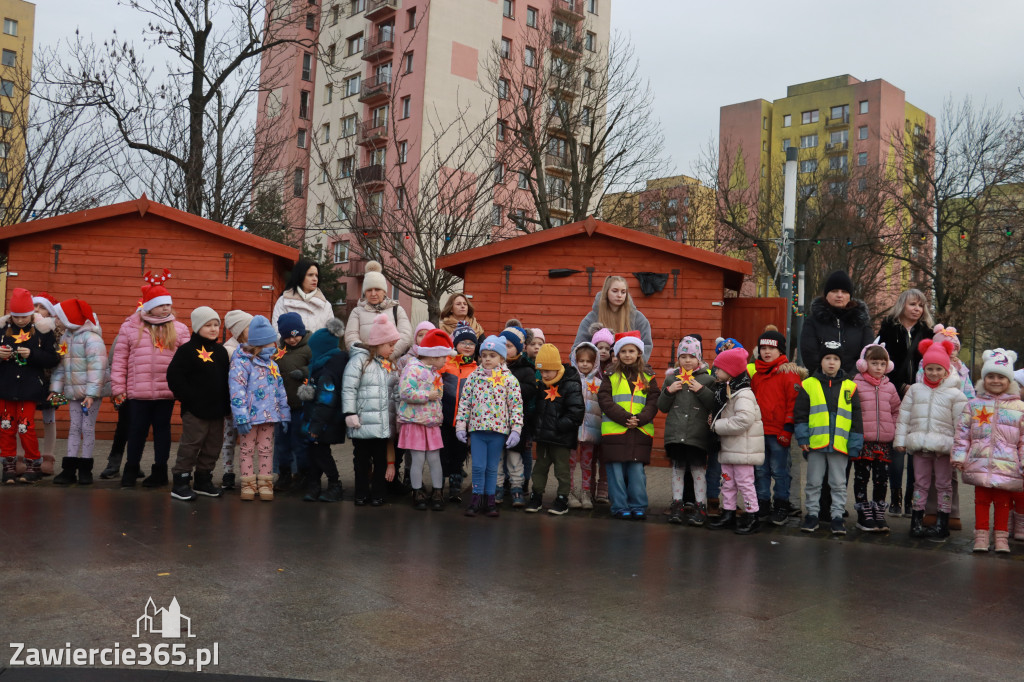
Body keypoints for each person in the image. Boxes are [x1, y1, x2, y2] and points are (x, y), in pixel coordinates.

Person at [112, 272, 191, 488]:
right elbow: (119, 359)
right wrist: (118, 387)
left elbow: (187, 361)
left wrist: (184, 388)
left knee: (162, 432)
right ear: (148, 306)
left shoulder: (179, 329)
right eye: (160, 305)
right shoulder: (130, 327)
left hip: (166, 392)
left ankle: (160, 471)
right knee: (136, 431)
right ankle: (130, 469)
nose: (166, 308)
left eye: (168, 304)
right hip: (138, 392)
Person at [953, 349, 1024, 553]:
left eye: (1001, 377)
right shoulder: (974, 405)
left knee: (1003, 502)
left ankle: (1001, 538)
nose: (995, 380)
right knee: (981, 500)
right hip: (979, 462)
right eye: (990, 376)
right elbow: (963, 433)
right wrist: (959, 456)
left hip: (1007, 465)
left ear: (1009, 380)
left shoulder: (1019, 407)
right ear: (983, 379)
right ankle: (981, 537)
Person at [895, 339, 968, 540]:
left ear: (946, 371)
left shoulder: (955, 395)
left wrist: (960, 450)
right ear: (924, 369)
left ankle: (943, 523)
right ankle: (916, 522)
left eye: (938, 369)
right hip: (920, 446)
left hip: (944, 448)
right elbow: (904, 416)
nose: (934, 373)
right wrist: (900, 440)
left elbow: (961, 425)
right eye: (930, 369)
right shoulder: (915, 390)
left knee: (944, 484)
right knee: (920, 483)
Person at [795, 342, 863, 536]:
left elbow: (856, 418)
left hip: (840, 445)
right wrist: (803, 437)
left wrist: (855, 444)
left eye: (835, 359)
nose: (831, 362)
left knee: (839, 483)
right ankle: (812, 515)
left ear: (841, 362)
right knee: (813, 482)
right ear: (821, 361)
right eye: (827, 358)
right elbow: (801, 414)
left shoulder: (850, 387)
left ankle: (837, 517)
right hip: (816, 444)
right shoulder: (809, 384)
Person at [875, 288, 933, 516]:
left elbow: (933, 365)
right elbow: (880, 363)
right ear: (902, 305)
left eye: (920, 305)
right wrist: (900, 386)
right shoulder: (888, 330)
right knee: (897, 448)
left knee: (915, 450)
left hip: (921, 396)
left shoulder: (927, 333)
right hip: (894, 395)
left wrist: (918, 386)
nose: (917, 309)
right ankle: (896, 498)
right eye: (912, 304)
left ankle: (911, 499)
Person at [165, 307, 231, 501]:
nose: (213, 329)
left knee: (213, 446)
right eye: (207, 325)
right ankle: (181, 482)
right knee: (191, 445)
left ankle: (203, 480)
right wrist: (189, 398)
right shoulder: (186, 350)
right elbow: (174, 377)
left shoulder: (221, 352)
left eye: (216, 325)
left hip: (217, 411)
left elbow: (226, 380)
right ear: (197, 327)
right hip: (195, 410)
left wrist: (226, 405)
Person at [455, 335, 524, 518]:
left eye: (492, 355)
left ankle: (490, 500)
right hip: (477, 431)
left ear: (501, 358)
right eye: (484, 355)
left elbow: (516, 406)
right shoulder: (474, 377)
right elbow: (465, 402)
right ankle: (476, 498)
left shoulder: (509, 380)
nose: (487, 359)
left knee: (492, 467)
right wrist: (461, 425)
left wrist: (516, 430)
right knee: (478, 467)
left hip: (498, 431)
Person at [597, 331, 661, 520]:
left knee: (636, 472)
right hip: (615, 431)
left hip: (639, 431)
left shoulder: (648, 376)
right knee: (615, 472)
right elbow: (604, 399)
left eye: (631, 351)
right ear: (617, 354)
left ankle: (638, 505)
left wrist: (640, 419)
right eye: (623, 351)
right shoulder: (610, 375)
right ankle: (619, 506)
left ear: (639, 353)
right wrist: (625, 418)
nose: (627, 355)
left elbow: (653, 400)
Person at [0, 288, 59, 484]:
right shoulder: (2, 330)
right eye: (16, 316)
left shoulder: (43, 331)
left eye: (24, 316)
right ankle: (8, 465)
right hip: (6, 387)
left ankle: (33, 463)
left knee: (25, 427)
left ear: (30, 314)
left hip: (30, 389)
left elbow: (53, 358)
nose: (20, 320)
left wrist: (32, 355)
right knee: (6, 426)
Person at [229, 316, 289, 502]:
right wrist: (241, 417)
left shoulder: (272, 365)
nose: (274, 347)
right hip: (249, 418)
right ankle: (248, 484)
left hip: (269, 417)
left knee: (266, 449)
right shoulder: (241, 363)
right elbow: (237, 391)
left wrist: (284, 414)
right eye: (270, 343)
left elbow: (280, 390)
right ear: (259, 344)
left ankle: (265, 483)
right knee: (247, 450)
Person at [749, 327, 805, 526]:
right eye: (763, 348)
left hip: (779, 433)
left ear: (780, 350)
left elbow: (794, 404)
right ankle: (763, 503)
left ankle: (781, 504)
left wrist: (788, 429)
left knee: (780, 471)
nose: (766, 352)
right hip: (759, 432)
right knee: (760, 471)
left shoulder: (788, 374)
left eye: (771, 348)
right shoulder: (757, 375)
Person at [658, 336, 716, 527]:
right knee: (678, 469)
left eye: (692, 356)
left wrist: (701, 390)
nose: (687, 360)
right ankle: (677, 504)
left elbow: (714, 404)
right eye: (683, 357)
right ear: (678, 359)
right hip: (676, 435)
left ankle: (700, 506)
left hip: (697, 436)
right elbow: (662, 406)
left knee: (698, 470)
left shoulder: (708, 380)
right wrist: (668, 392)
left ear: (699, 358)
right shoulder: (671, 378)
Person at [342, 313, 400, 506]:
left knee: (381, 460)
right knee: (361, 460)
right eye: (390, 344)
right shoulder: (360, 360)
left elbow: (395, 393)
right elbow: (349, 387)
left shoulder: (390, 365)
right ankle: (361, 493)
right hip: (362, 423)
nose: (393, 349)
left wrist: (398, 415)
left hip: (382, 426)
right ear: (379, 343)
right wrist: (350, 412)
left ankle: (378, 493)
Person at [706, 347, 765, 535]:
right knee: (727, 482)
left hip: (742, 449)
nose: (715, 372)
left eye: (719, 368)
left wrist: (717, 425)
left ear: (730, 371)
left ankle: (752, 515)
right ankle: (728, 512)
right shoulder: (728, 390)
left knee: (745, 483)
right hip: (730, 447)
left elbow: (744, 420)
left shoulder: (743, 393)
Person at [49, 299, 107, 486]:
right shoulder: (66, 337)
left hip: (91, 394)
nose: (56, 320)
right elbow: (62, 365)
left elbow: (98, 368)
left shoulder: (92, 339)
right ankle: (69, 469)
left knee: (87, 428)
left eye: (59, 317)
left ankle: (85, 469)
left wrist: (91, 394)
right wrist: (55, 389)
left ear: (70, 318)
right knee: (74, 427)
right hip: (74, 392)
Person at [397, 329, 455, 511]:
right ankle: (417, 492)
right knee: (418, 458)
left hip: (431, 423)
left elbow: (439, 395)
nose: (445, 360)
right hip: (415, 422)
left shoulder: (436, 373)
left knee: (435, 458)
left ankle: (437, 492)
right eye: (443, 357)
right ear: (433, 355)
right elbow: (405, 392)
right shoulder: (412, 369)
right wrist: (426, 395)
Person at [524, 343, 584, 516]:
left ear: (557, 368)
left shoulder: (570, 384)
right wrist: (536, 426)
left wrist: (558, 426)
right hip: (543, 437)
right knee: (539, 469)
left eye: (547, 371)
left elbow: (576, 412)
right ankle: (536, 496)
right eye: (541, 371)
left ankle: (562, 498)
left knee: (562, 471)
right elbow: (537, 409)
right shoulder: (541, 385)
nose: (544, 375)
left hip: (561, 438)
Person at [296, 319, 348, 503]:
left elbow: (326, 401)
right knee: (313, 451)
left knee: (320, 452)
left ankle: (335, 483)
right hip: (317, 420)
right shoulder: (320, 366)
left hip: (324, 422)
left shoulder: (328, 371)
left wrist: (316, 426)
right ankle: (314, 484)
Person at [851, 343, 901, 532]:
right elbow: (851, 411)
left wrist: (892, 428)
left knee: (881, 479)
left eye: (882, 364)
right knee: (862, 477)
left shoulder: (890, 387)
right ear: (864, 364)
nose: (879, 368)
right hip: (863, 441)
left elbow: (896, 410)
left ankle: (878, 512)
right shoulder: (855, 385)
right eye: (874, 363)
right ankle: (864, 514)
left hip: (884, 443)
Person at [798, 270, 873, 374]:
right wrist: (827, 376)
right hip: (820, 380)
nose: (839, 295)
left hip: (855, 381)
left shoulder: (861, 322)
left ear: (850, 296)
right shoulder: (813, 322)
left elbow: (868, 353)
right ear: (826, 294)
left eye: (844, 292)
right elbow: (809, 354)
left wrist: (851, 377)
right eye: (834, 291)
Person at [496, 326, 537, 506]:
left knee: (515, 457)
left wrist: (510, 387)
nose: (505, 349)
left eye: (510, 346)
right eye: (502, 344)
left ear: (519, 349)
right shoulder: (493, 367)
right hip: (496, 420)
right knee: (498, 457)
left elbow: (530, 390)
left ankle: (517, 487)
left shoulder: (526, 369)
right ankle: (497, 487)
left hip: (516, 422)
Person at [273, 312, 312, 492]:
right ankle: (284, 474)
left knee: (300, 441)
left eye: (296, 335)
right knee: (282, 443)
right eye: (288, 337)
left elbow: (316, 366)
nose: (293, 339)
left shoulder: (309, 348)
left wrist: (304, 372)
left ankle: (303, 474)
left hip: (301, 406)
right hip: (283, 407)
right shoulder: (279, 352)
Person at [573, 276, 654, 362]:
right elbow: (578, 347)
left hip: (629, 368)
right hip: (598, 369)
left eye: (623, 292)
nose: (619, 295)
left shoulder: (637, 318)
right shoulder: (592, 318)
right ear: (606, 292)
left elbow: (647, 345)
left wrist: (634, 364)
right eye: (615, 291)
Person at [344, 260, 412, 362]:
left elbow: (405, 336)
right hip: (365, 363)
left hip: (391, 365)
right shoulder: (357, 312)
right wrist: (367, 356)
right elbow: (351, 337)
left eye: (377, 289)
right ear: (365, 292)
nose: (373, 294)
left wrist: (388, 355)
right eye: (369, 290)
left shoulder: (397, 310)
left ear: (384, 291)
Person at [439, 323, 477, 504]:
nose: (467, 346)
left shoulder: (476, 369)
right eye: (463, 342)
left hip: (464, 422)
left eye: (471, 343)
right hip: (444, 418)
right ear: (455, 345)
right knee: (442, 453)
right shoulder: (446, 364)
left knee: (459, 454)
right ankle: (439, 486)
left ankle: (455, 486)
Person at [218, 310, 253, 490]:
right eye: (249, 327)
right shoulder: (229, 350)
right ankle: (228, 472)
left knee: (249, 440)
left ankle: (249, 472)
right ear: (239, 330)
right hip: (234, 403)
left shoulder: (256, 346)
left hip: (252, 403)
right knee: (230, 438)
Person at [569, 341, 601, 510]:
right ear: (576, 361)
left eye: (589, 361)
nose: (585, 364)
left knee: (587, 464)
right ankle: (570, 491)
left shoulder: (599, 384)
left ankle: (586, 492)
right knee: (570, 463)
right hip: (572, 431)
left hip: (591, 431)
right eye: (581, 361)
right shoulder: (570, 381)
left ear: (595, 363)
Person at [31, 292, 60, 476]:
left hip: (53, 381)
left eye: (42, 307)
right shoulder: (24, 328)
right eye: (35, 306)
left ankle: (48, 457)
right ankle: (20, 457)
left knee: (50, 417)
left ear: (50, 312)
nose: (37, 310)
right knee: (23, 417)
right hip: (29, 379)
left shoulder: (57, 331)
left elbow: (61, 357)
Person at [272, 259, 335, 334]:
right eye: (310, 275)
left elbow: (331, 334)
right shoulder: (283, 301)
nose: (315, 279)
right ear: (300, 276)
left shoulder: (326, 305)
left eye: (316, 275)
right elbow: (277, 331)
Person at [589, 326, 615, 504]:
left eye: (607, 348)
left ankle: (603, 488)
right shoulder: (589, 368)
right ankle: (588, 487)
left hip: (608, 418)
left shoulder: (613, 369)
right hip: (591, 417)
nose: (603, 351)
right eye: (600, 347)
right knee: (590, 455)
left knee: (605, 456)